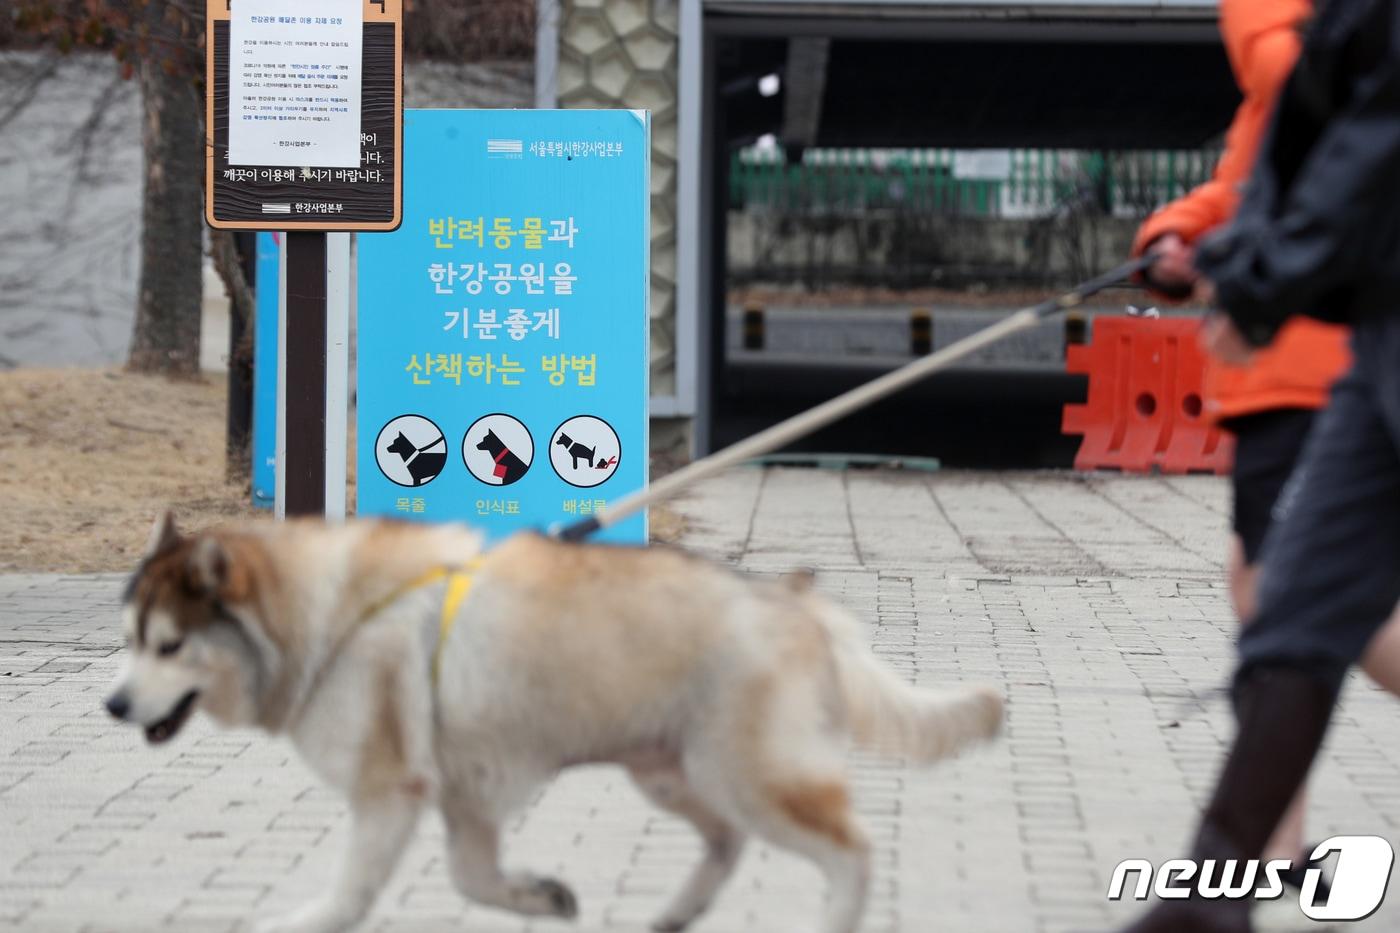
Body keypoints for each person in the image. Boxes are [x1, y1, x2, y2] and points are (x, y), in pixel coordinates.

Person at [1122, 0, 1400, 928]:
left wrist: (1254, 280)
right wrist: (1198, 243)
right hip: (1355, 344)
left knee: (1297, 603)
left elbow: (1357, 137)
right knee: (1289, 610)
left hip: (1317, 362)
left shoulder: (1301, 42)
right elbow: (1271, 173)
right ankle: (1216, 897)